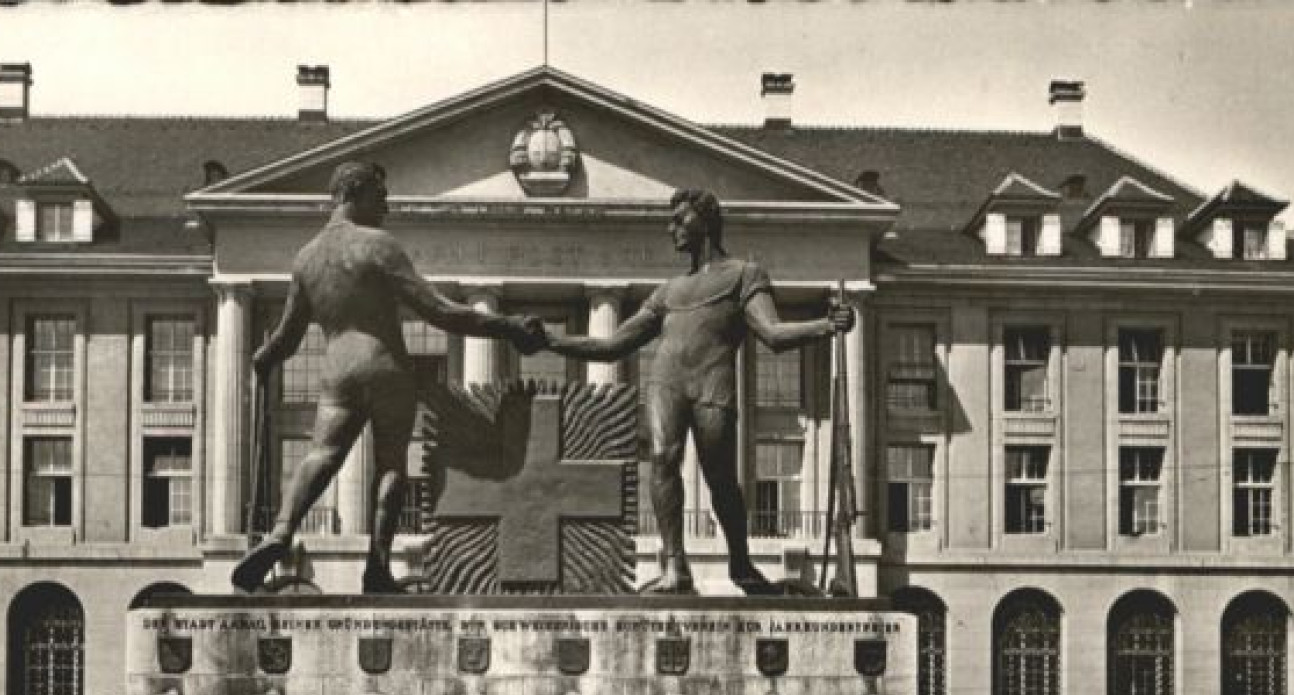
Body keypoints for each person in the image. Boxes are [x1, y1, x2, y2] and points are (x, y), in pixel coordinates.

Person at [231, 161, 547, 594]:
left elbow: (286, 339)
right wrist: (506, 327)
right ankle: (377, 565)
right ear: (354, 192)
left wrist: (263, 357)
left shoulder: (306, 258)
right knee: (392, 465)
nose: (387, 205)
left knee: (321, 454)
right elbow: (441, 312)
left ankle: (280, 533)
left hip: (337, 369)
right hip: (384, 365)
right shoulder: (379, 246)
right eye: (380, 195)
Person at [546, 188, 855, 595]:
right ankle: (677, 568)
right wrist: (550, 341)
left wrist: (825, 326)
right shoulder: (667, 292)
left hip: (713, 382)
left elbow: (773, 335)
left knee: (720, 478)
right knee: (661, 458)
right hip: (665, 381)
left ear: (706, 221)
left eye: (680, 218)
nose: (670, 227)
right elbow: (610, 346)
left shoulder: (745, 274)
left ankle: (741, 566)